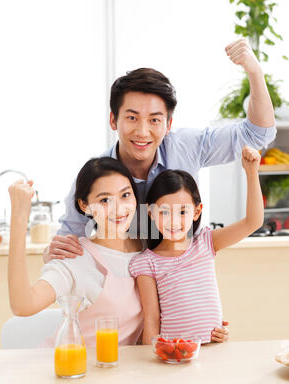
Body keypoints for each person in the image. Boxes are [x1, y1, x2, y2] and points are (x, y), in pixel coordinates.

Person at [43, 38, 276, 262]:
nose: (142, 132)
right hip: (125, 288)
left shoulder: (187, 146)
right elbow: (67, 244)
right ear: (113, 120)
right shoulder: (95, 177)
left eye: (154, 120)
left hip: (180, 284)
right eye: (132, 117)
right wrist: (53, 252)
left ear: (169, 124)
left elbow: (257, 134)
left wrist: (254, 72)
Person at [8, 157, 169, 384]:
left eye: (125, 195)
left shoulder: (146, 249)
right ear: (84, 206)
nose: (119, 209)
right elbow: (23, 305)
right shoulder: (76, 257)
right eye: (104, 200)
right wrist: (19, 221)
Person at [128, 146, 263, 384]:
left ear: (197, 211)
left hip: (208, 362)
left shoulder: (206, 243)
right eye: (163, 211)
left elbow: (253, 221)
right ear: (150, 212)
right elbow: (152, 319)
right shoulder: (146, 262)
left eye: (182, 211)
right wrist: (154, 361)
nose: (173, 220)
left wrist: (251, 173)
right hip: (169, 365)